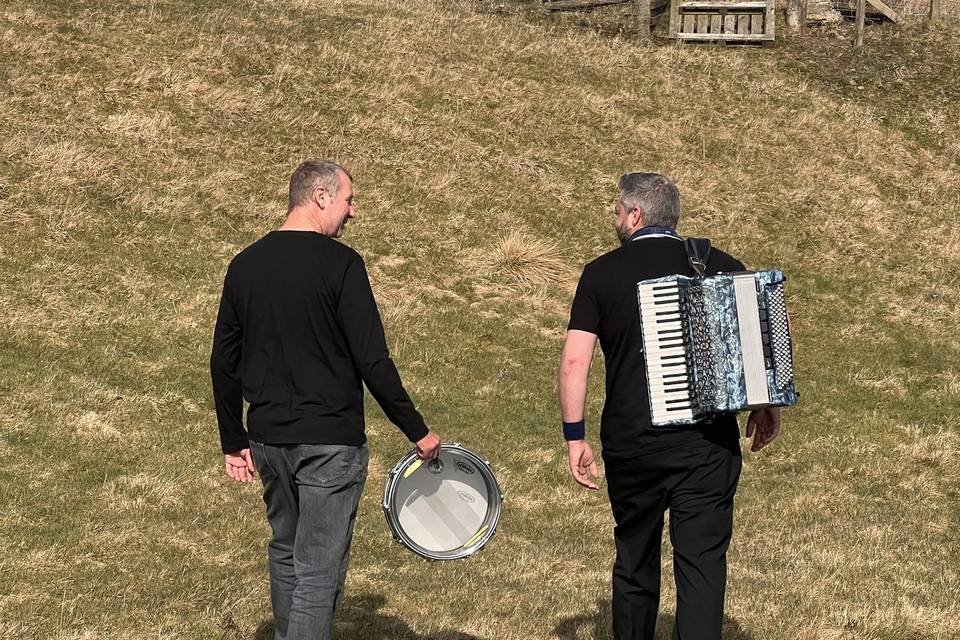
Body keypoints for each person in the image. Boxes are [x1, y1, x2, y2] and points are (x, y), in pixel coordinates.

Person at [210, 159, 441, 640]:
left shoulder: (245, 264)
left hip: (269, 441)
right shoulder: (342, 265)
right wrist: (417, 430)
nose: (351, 212)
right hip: (330, 444)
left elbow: (222, 362)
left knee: (285, 550)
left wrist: (234, 439)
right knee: (317, 567)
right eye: (348, 200)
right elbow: (372, 360)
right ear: (319, 197)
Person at [558, 172, 781, 640]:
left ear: (635, 215)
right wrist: (764, 405)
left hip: (631, 445)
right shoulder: (722, 264)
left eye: (617, 211)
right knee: (702, 567)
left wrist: (574, 437)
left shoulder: (602, 272)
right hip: (706, 448)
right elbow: (759, 343)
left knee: (635, 561)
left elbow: (574, 362)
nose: (615, 219)